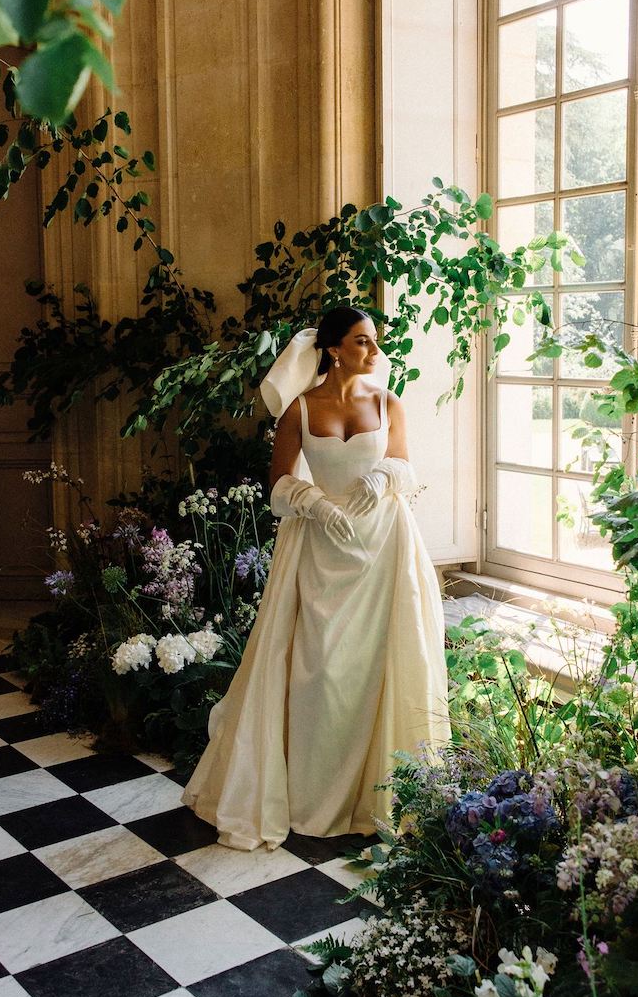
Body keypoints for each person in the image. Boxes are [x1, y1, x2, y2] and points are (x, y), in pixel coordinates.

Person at [182, 306, 449, 850]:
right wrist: (313, 503)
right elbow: (278, 486)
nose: (374, 353)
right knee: (320, 672)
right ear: (333, 349)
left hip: (384, 551)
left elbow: (407, 465)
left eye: (373, 343)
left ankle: (380, 796)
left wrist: (385, 477)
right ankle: (309, 795)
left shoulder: (387, 402)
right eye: (362, 342)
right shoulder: (300, 412)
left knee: (381, 667)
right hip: (322, 549)